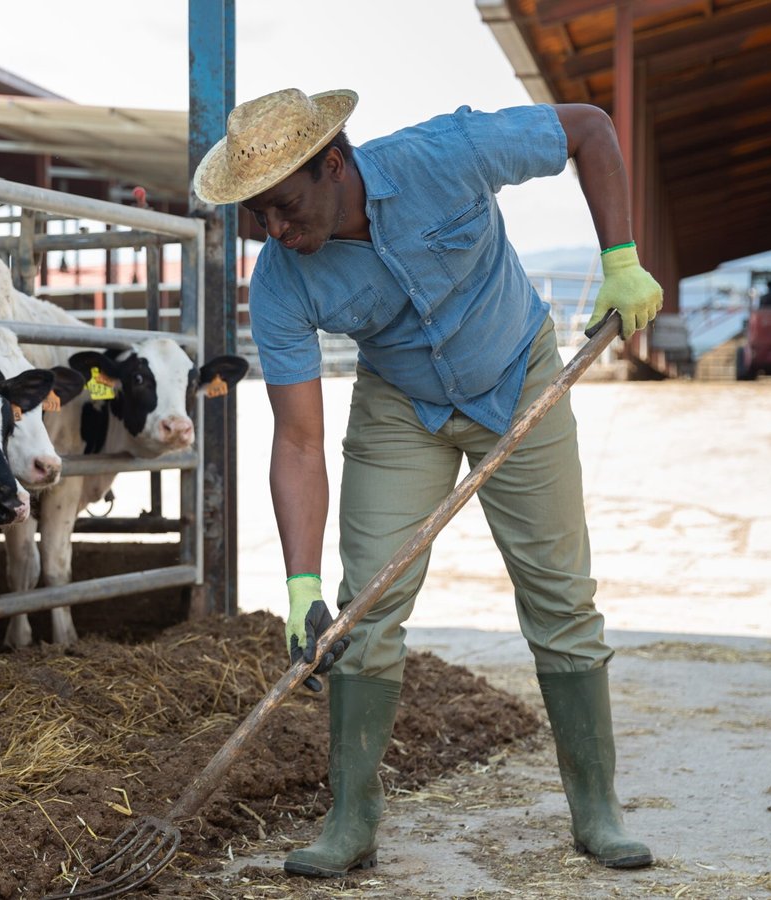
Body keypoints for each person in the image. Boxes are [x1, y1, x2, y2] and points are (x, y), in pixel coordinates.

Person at [192, 89, 661, 878]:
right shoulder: (279, 281)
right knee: (362, 611)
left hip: (517, 374)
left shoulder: (448, 155)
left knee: (560, 599)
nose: (273, 231)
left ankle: (597, 810)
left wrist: (620, 261)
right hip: (402, 404)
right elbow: (300, 441)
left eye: (283, 206)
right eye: (255, 216)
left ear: (333, 162)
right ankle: (351, 819)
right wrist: (301, 584)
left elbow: (591, 129)